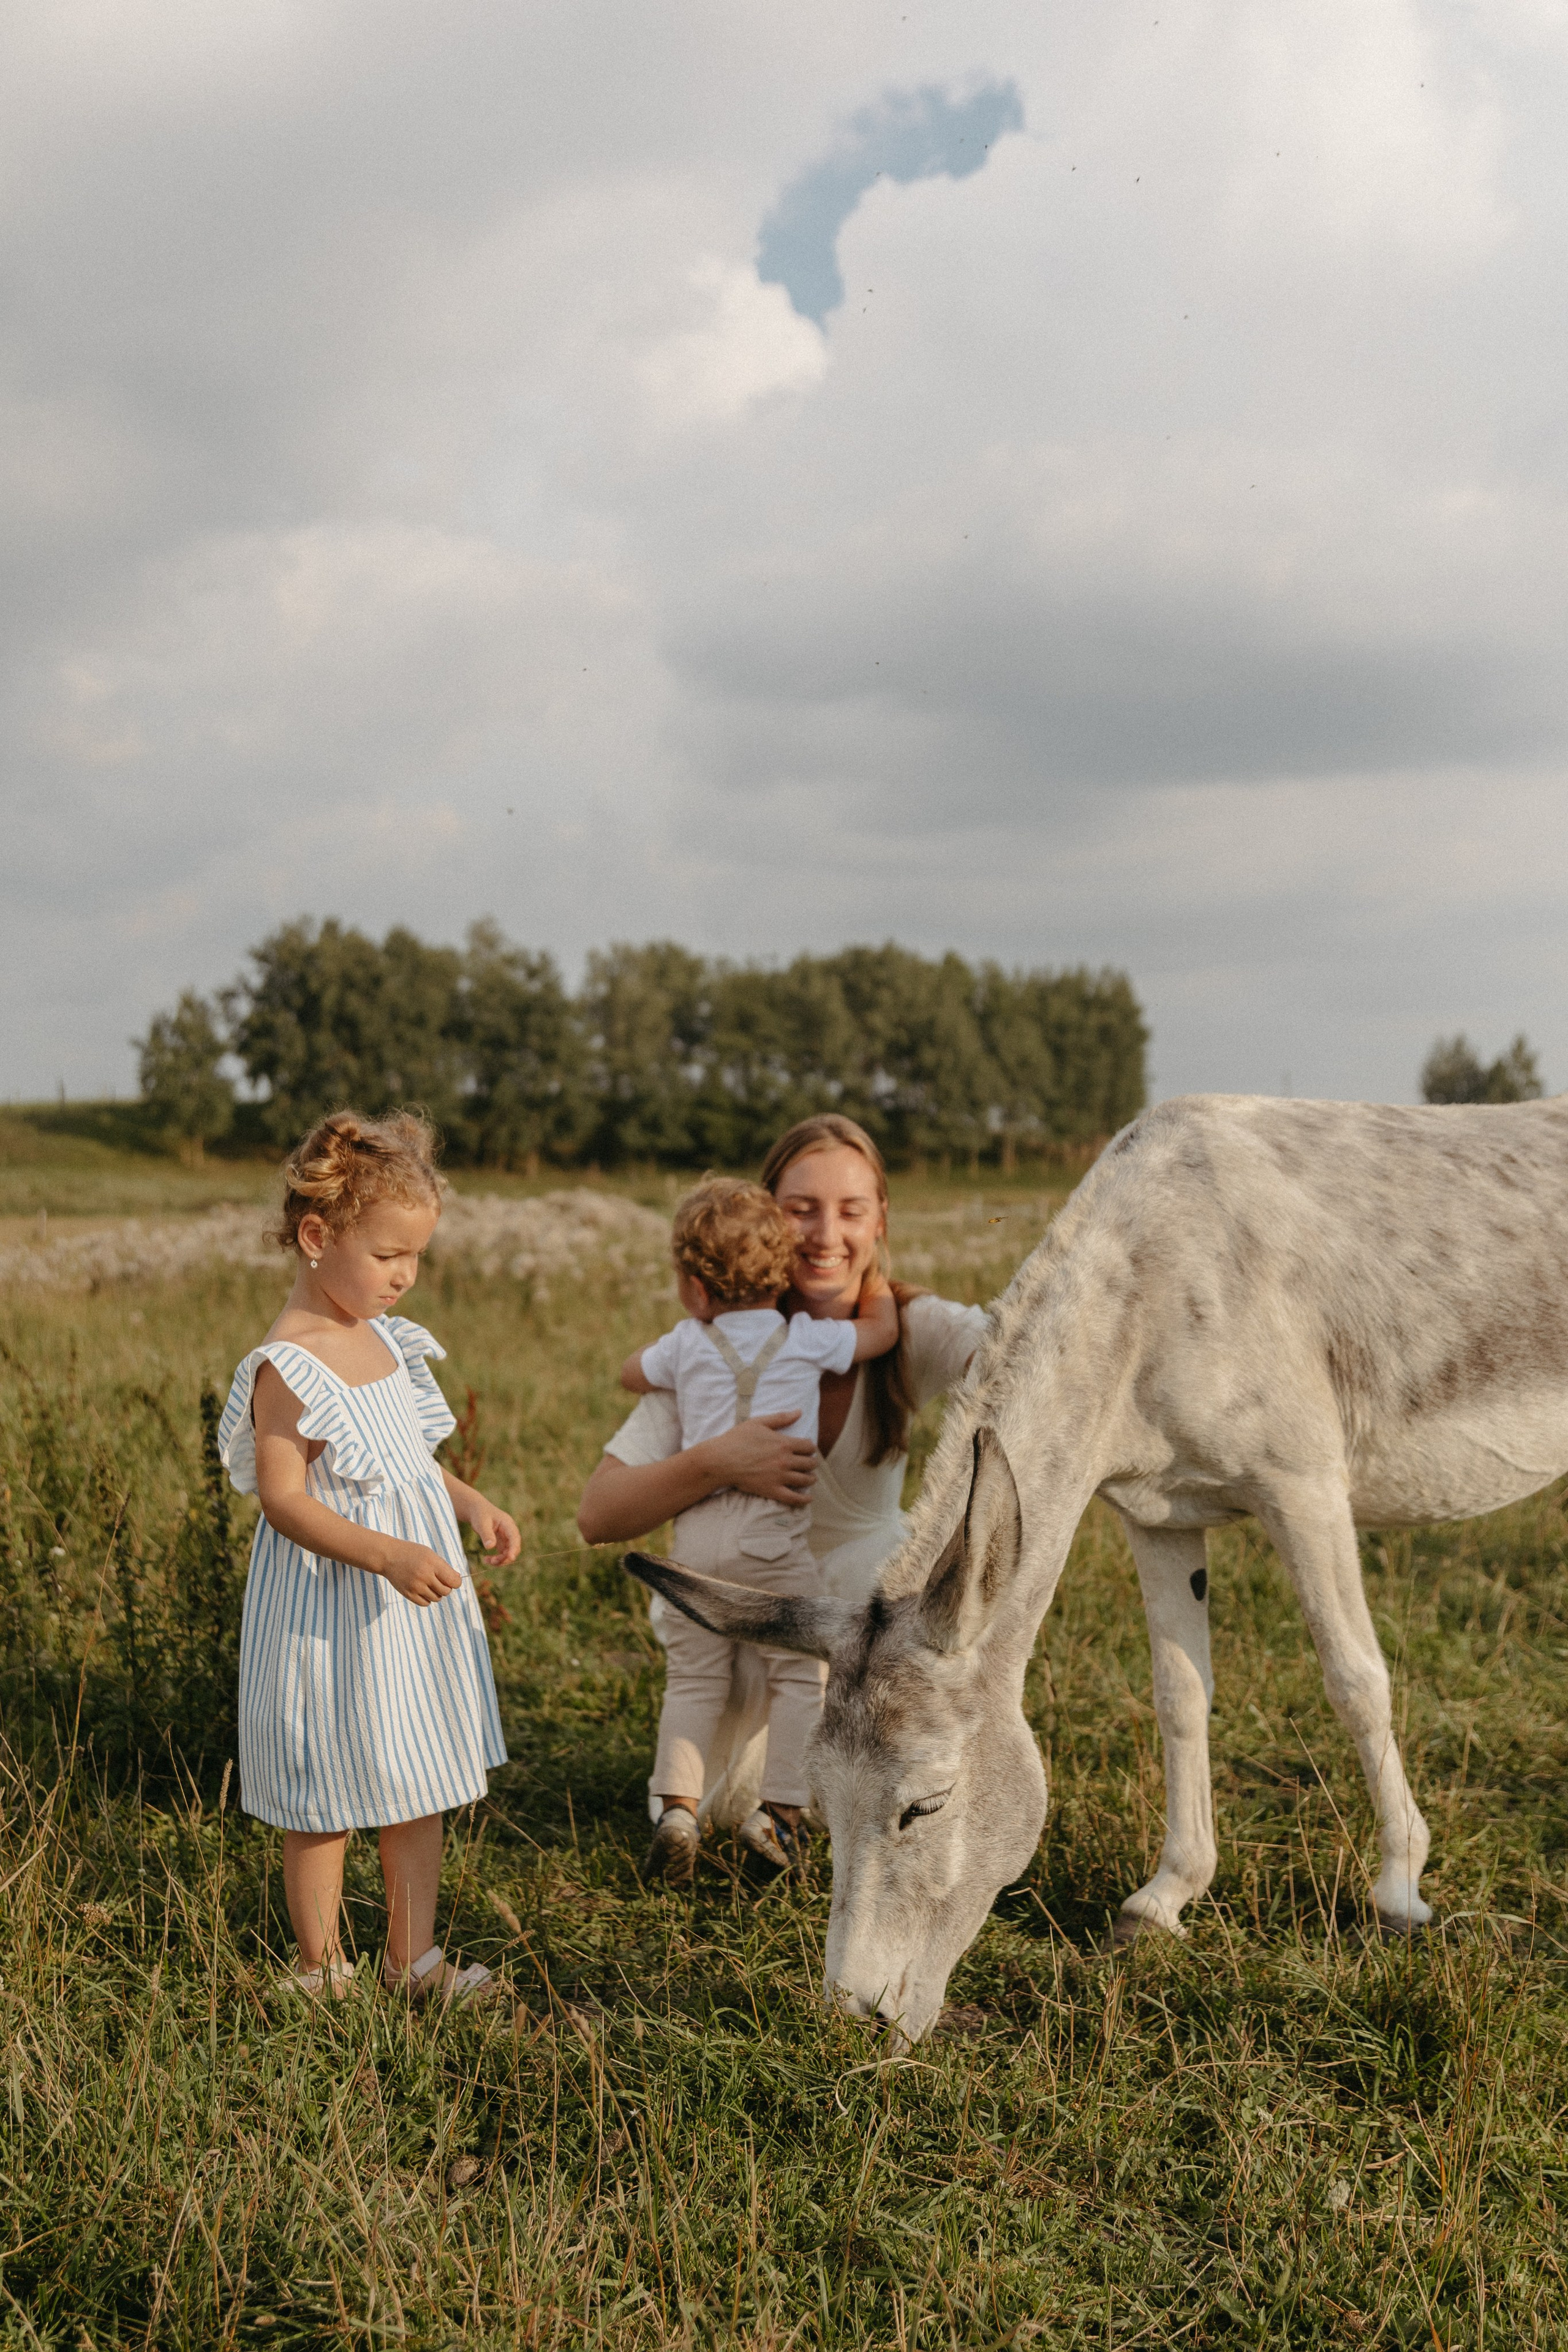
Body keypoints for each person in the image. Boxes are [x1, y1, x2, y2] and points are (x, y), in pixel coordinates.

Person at [577, 1112, 988, 1834]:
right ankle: (753, 1802)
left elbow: (1014, 1351)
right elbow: (599, 1514)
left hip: (867, 1614)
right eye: (801, 1210)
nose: (827, 1235)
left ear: (881, 1217)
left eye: (851, 1210)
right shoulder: (708, 1350)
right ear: (767, 1215)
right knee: (725, 1791)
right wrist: (715, 1461)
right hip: (752, 1613)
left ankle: (795, 1801)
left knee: (872, 1789)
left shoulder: (907, 1326)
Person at [218, 1109, 519, 2004]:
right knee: (325, 1794)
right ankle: (321, 1971)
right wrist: (387, 1555)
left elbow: (407, 1465)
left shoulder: (385, 1339)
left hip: (402, 1616)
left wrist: (468, 1505)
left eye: (416, 1256)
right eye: (388, 1254)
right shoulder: (291, 1363)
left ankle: (413, 1960)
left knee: (411, 1775)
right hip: (329, 1613)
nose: (405, 1276)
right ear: (318, 1237)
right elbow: (284, 1500)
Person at [619, 1174, 899, 1885]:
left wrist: (677, 1358)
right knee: (799, 1672)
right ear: (781, 1276)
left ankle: (677, 1811)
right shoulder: (805, 1339)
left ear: (692, 1287)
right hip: (771, 1540)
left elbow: (630, 1374)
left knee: (693, 1678)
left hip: (698, 1536)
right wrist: (880, 1284)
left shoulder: (685, 1343)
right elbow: (882, 1336)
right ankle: (777, 1814)